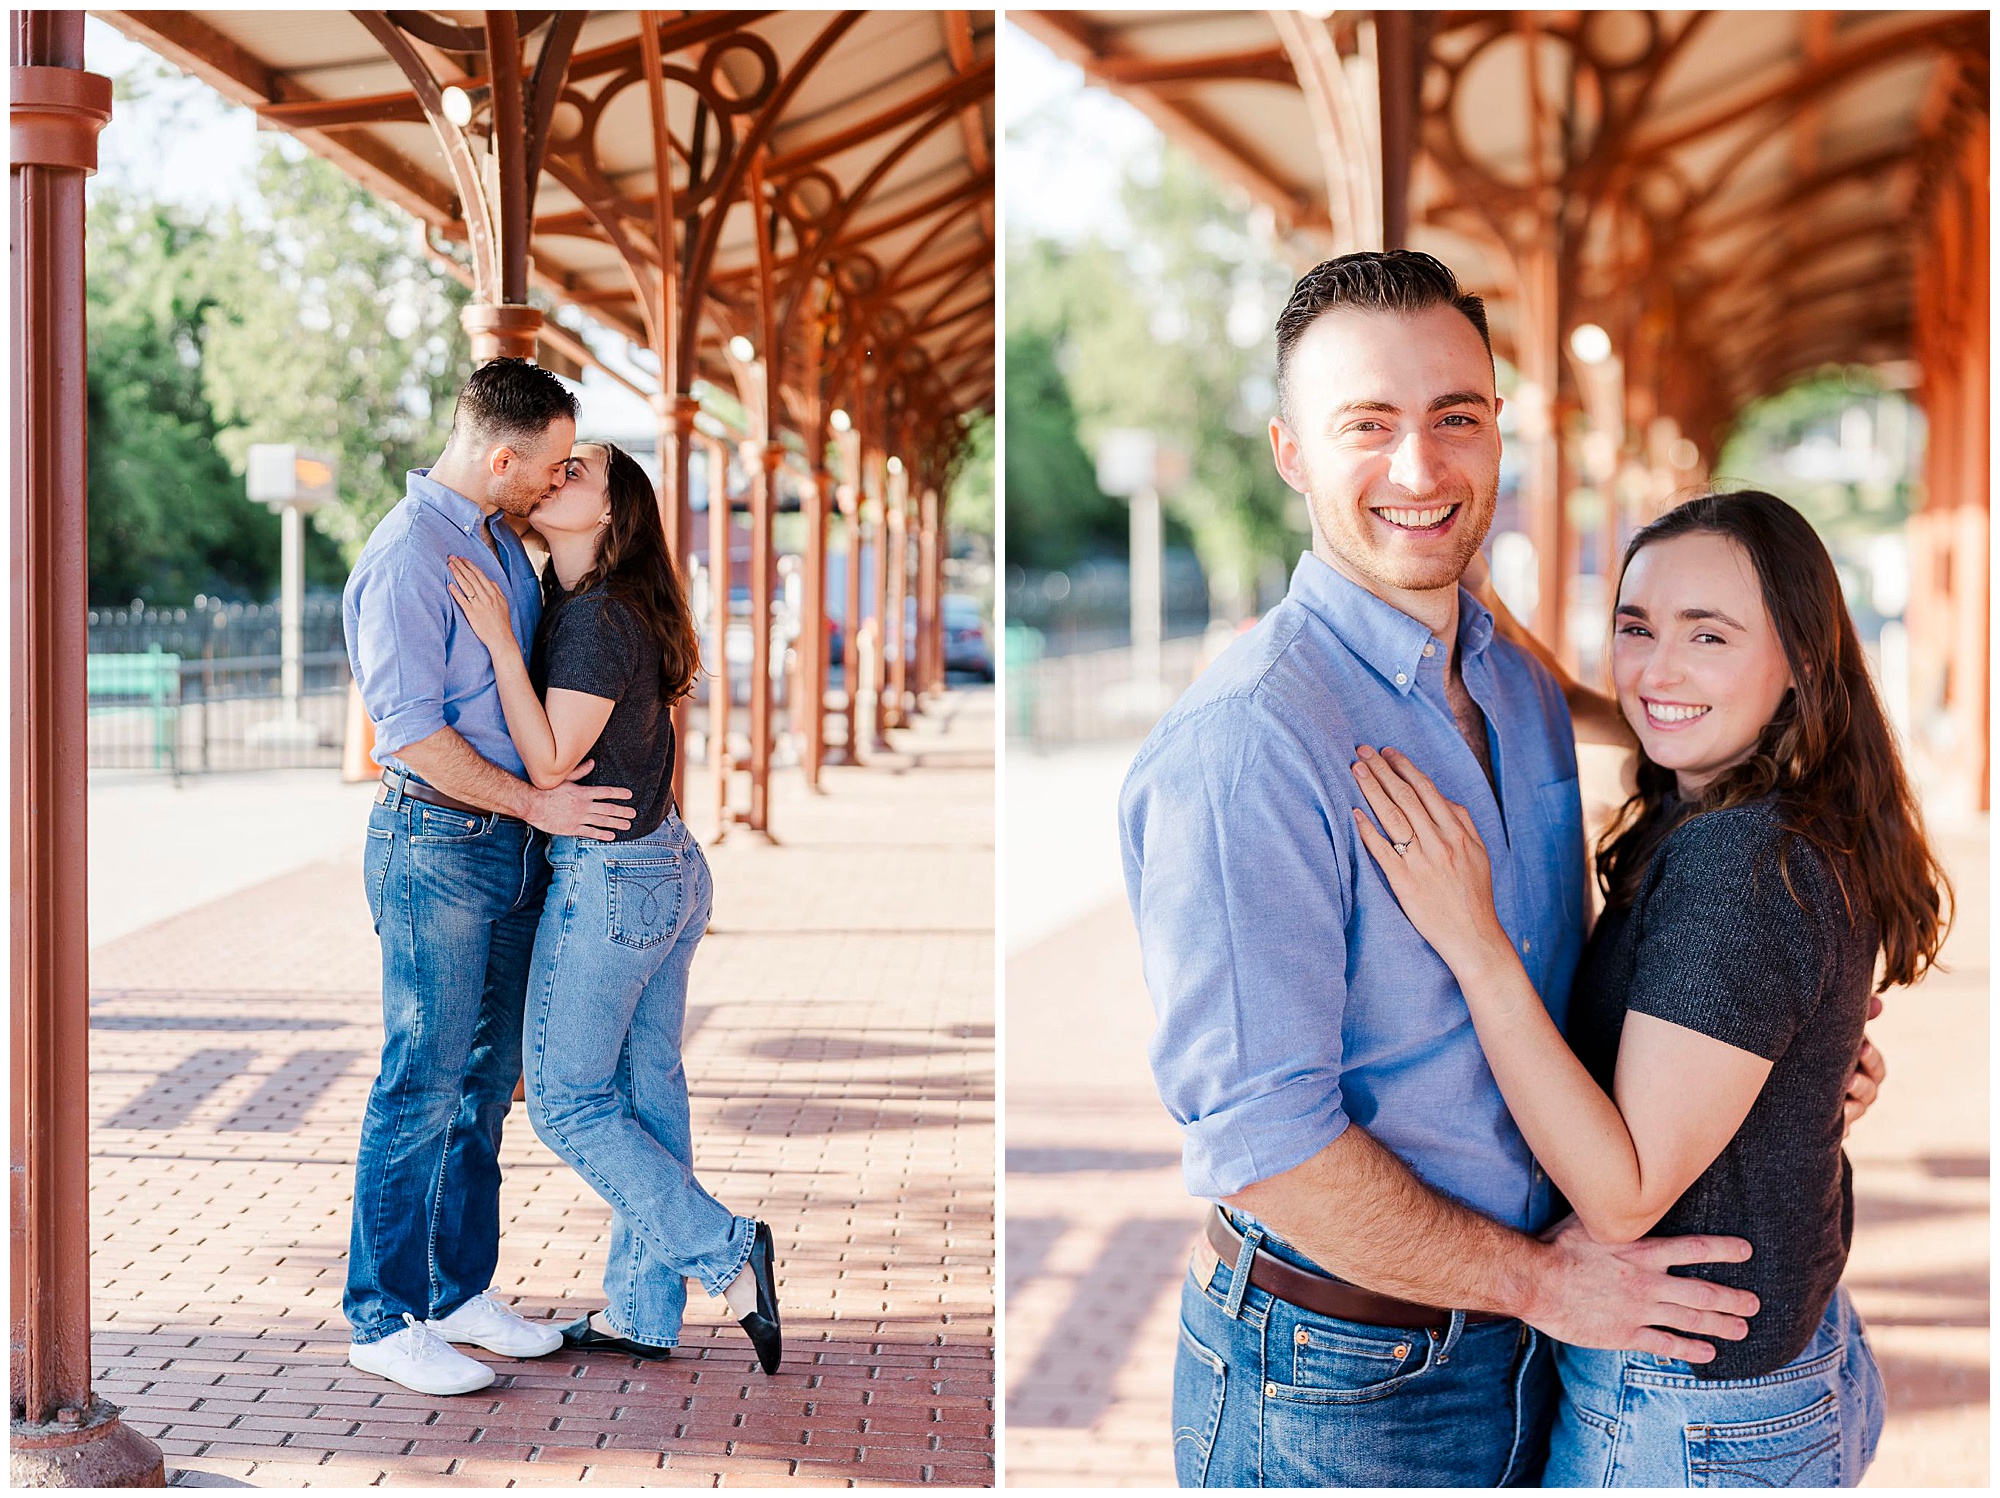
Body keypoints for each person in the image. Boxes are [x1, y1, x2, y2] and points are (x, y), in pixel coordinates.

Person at [1118, 252, 1880, 1487]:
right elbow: (1262, 1142)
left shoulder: (1514, 684)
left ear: (1495, 429)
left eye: (1453, 417)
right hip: (1352, 1378)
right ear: (1287, 452)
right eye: (1365, 425)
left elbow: (1587, 964)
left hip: (1555, 1337)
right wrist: (1538, 1280)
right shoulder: (1248, 746)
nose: (1420, 469)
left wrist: (1769, 1059)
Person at [1351, 491, 1944, 1486]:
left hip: (1692, 1414)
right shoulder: (1751, 796)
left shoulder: (1741, 866)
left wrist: (1471, 939)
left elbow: (1621, 1199)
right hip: (1769, 1370)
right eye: (1634, 627)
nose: (1655, 670)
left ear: (1797, 660)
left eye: (1707, 635)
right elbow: (1618, 698)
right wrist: (1463, 589)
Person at [446, 440, 781, 1373]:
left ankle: (726, 1249)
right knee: (644, 1095)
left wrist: (502, 648)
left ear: (610, 516)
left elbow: (552, 762)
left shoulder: (595, 619)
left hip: (616, 882)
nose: (557, 478)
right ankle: (643, 1309)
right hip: (658, 868)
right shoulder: (594, 605)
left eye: (577, 473)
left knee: (562, 1102)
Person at [341, 359, 638, 1397]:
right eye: (549, 464)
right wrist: (538, 805)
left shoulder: (497, 543)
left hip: (506, 848)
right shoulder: (407, 557)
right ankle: (380, 1316)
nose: (553, 481)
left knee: (477, 1089)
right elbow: (413, 734)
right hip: (436, 846)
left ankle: (455, 1291)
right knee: (418, 1081)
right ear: (500, 455)